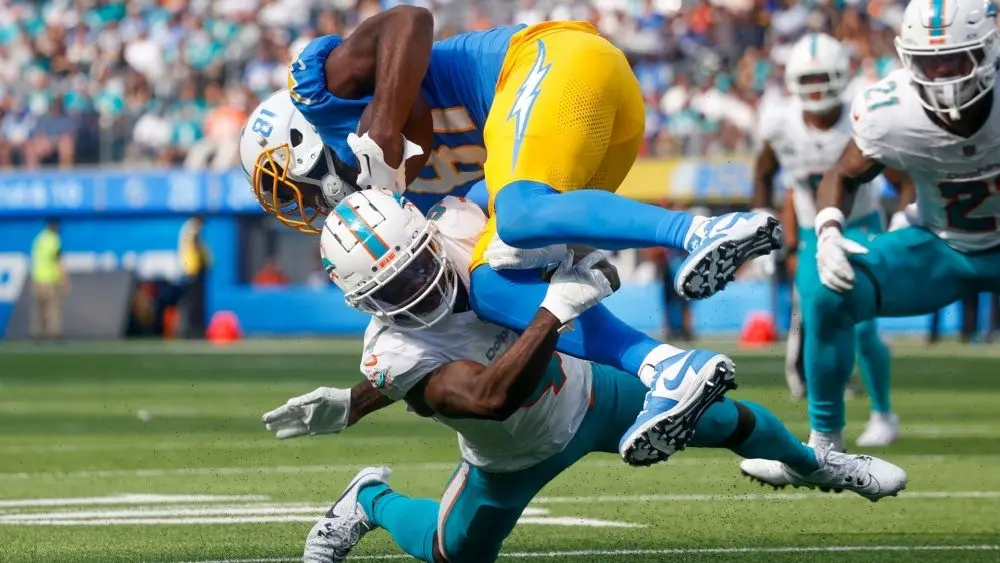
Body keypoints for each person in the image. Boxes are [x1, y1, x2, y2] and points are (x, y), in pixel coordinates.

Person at [240, 10, 783, 464]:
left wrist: (381, 131)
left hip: (554, 62)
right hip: (599, 130)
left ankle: (705, 229)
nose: (310, 203)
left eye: (292, 186)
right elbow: (435, 334)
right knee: (493, 286)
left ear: (301, 141)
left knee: (520, 214)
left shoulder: (324, 91)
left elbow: (409, 20)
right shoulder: (404, 203)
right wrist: (358, 401)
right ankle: (667, 367)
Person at [261, 189, 907, 563]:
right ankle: (367, 500)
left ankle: (816, 462)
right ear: (364, 302)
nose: (419, 286)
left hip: (591, 391)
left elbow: (558, 224)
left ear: (429, 234)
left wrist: (585, 262)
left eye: (416, 264)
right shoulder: (391, 349)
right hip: (510, 453)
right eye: (394, 286)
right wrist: (556, 306)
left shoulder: (464, 225)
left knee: (727, 418)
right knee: (453, 552)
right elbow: (488, 396)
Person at [742, 0, 1000, 485]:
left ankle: (879, 414)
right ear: (907, 59)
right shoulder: (890, 109)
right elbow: (843, 172)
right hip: (942, 246)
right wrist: (830, 231)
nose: (942, 78)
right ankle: (823, 453)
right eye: (929, 64)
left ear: (988, 50)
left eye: (954, 61)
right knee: (825, 289)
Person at [751, 33, 910, 448]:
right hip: (809, 234)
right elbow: (763, 172)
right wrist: (761, 226)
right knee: (818, 321)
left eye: (825, 78)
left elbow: (900, 175)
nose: (818, 88)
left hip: (861, 225)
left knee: (862, 326)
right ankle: (824, 432)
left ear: (841, 76)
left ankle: (882, 412)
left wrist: (905, 221)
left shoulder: (861, 113)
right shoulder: (780, 123)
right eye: (810, 79)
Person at [30, 218, 68, 339]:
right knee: (53, 308)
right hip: (50, 279)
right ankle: (54, 333)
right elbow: (57, 260)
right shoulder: (54, 240)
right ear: (55, 226)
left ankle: (37, 333)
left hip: (37, 278)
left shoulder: (39, 239)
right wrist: (64, 278)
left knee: (39, 308)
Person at [177, 215, 210, 339]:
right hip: (193, 269)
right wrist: (205, 261)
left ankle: (188, 330)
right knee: (194, 303)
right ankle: (193, 331)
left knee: (189, 302)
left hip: (188, 269)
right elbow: (197, 246)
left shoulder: (186, 227)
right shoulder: (193, 228)